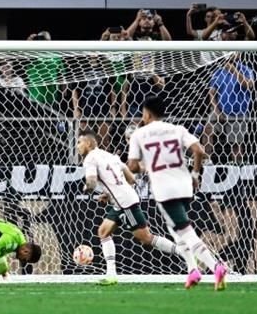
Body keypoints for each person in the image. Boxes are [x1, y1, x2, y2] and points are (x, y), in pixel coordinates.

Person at [127, 96, 228, 291]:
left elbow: (132, 165)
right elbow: (199, 151)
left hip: (165, 189)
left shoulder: (139, 134)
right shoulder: (177, 129)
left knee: (185, 232)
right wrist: (196, 174)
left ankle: (216, 267)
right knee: (176, 230)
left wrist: (146, 168)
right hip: (185, 185)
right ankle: (192, 270)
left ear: (146, 113)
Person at [77, 130, 188, 286]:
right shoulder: (109, 156)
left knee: (146, 239)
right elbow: (131, 178)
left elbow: (92, 182)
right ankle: (111, 274)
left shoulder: (89, 159)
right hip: (122, 202)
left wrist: (86, 189)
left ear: (88, 143)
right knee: (103, 232)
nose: (77, 146)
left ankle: (184, 251)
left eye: (79, 142)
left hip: (125, 204)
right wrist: (110, 194)